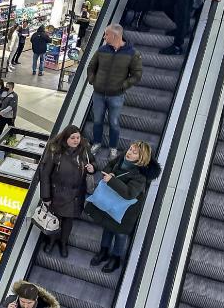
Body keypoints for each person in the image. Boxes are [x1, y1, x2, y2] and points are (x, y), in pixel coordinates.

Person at [87, 141, 161, 273]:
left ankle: (116, 259)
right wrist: (111, 174)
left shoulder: (140, 176)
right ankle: (103, 252)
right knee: (107, 227)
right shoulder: (121, 158)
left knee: (120, 234)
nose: (129, 152)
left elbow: (129, 193)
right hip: (111, 202)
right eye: (130, 149)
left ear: (141, 158)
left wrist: (112, 180)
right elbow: (109, 166)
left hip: (125, 210)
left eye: (134, 152)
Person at [38, 125, 96, 258]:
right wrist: (46, 196)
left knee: (68, 221)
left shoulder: (84, 149)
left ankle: (63, 243)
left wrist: (93, 168)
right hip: (57, 193)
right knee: (55, 219)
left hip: (75, 194)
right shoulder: (55, 150)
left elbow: (93, 162)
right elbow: (45, 174)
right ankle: (51, 241)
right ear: (65, 138)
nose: (76, 140)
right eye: (73, 138)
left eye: (78, 137)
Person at [87, 24, 143, 159]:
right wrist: (92, 80)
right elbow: (91, 66)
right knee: (97, 121)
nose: (104, 37)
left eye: (106, 34)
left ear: (115, 36)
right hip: (99, 94)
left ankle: (113, 148)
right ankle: (97, 143)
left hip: (116, 96)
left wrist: (122, 86)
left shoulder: (132, 54)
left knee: (114, 123)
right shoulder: (102, 50)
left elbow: (137, 75)